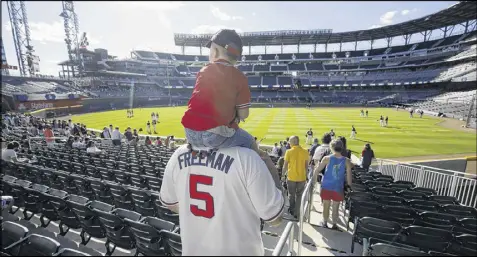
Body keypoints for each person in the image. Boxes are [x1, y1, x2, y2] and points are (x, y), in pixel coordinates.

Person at [159, 144, 284, 256]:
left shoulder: (179, 153)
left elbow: (170, 203)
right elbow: (274, 219)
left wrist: (201, 219)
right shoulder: (248, 157)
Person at [181, 29, 263, 157]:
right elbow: (244, 115)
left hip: (189, 133)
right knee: (250, 141)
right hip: (215, 135)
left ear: (215, 52)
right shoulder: (240, 77)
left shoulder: (203, 70)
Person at [312, 139, 353, 230]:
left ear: (331, 147)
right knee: (336, 207)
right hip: (338, 187)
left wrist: (314, 181)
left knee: (326, 205)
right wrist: (349, 186)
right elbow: (349, 175)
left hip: (326, 186)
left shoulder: (327, 158)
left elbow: (317, 170)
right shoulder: (346, 160)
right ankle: (334, 224)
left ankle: (325, 222)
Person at [283, 136, 309, 218]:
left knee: (291, 194)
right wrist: (306, 176)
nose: (289, 143)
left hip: (291, 177)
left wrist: (282, 175)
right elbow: (306, 166)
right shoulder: (305, 151)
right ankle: (296, 212)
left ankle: (292, 209)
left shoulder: (289, 151)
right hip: (302, 178)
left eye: (290, 142)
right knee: (299, 195)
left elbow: (285, 166)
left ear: (294, 142)